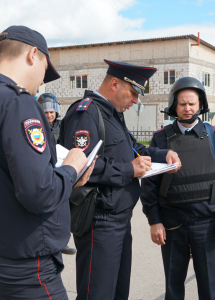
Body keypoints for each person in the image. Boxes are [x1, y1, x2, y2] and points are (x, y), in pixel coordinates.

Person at [0, 25, 94, 299]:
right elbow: (38, 193)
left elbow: (1, 180)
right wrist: (72, 167)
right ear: (32, 55)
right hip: (26, 265)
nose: (42, 82)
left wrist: (66, 178)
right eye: (44, 70)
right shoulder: (18, 103)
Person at [58, 59, 182, 300]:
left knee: (117, 293)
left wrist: (161, 155)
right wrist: (129, 170)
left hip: (119, 221)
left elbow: (131, 148)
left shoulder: (111, 113)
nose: (136, 100)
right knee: (97, 293)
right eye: (133, 92)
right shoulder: (86, 112)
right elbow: (79, 164)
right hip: (99, 221)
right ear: (114, 84)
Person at [140, 77, 215, 300]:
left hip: (206, 226)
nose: (187, 109)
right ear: (174, 105)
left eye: (192, 104)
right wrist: (154, 221)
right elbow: (149, 185)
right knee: (173, 289)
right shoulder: (160, 140)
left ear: (200, 105)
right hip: (172, 226)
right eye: (182, 104)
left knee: (209, 288)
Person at [37, 92, 77, 256]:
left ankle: (62, 242)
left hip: (62, 172)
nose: (49, 115)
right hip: (45, 173)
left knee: (64, 210)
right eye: (45, 112)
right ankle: (45, 241)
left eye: (51, 112)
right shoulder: (37, 127)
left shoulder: (63, 126)